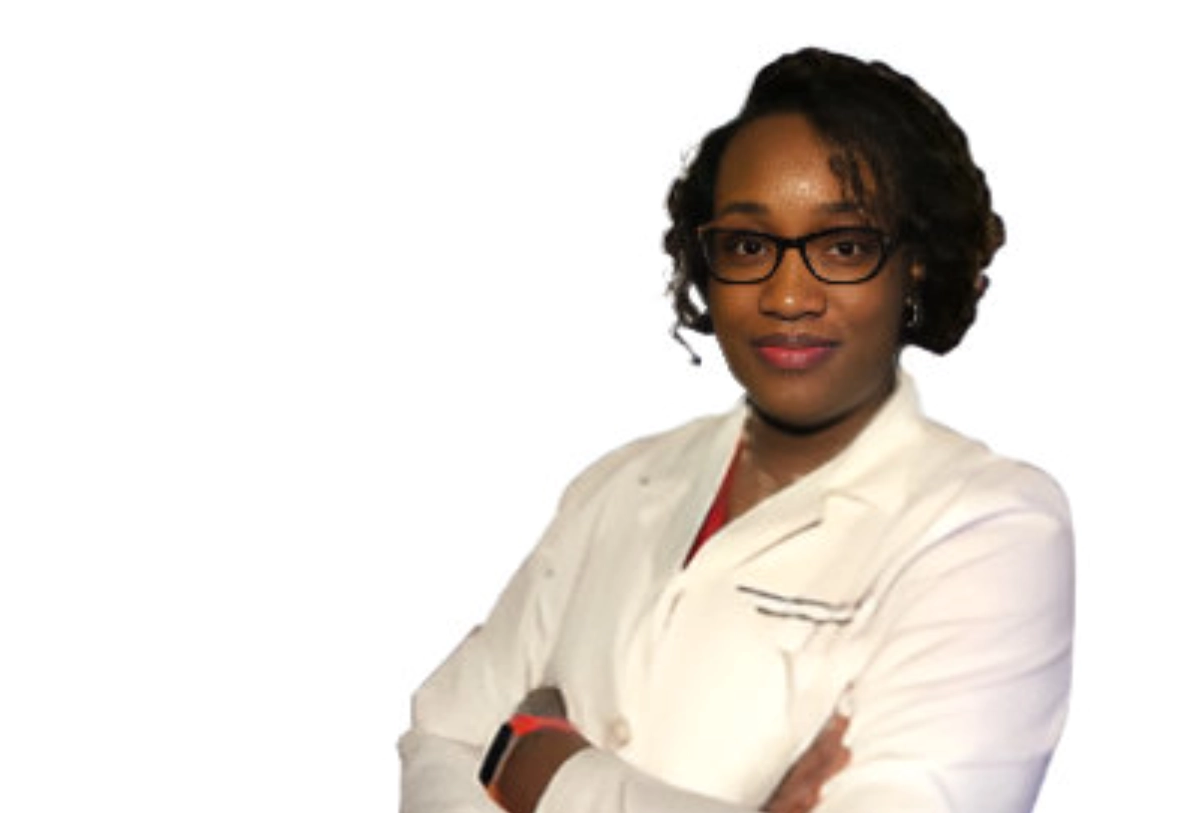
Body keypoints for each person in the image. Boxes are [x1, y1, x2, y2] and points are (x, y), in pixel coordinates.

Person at [398, 48, 1074, 813]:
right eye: (750, 246)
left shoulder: (989, 526)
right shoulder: (618, 486)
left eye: (843, 246)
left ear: (913, 265)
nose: (788, 294)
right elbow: (441, 738)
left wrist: (553, 773)